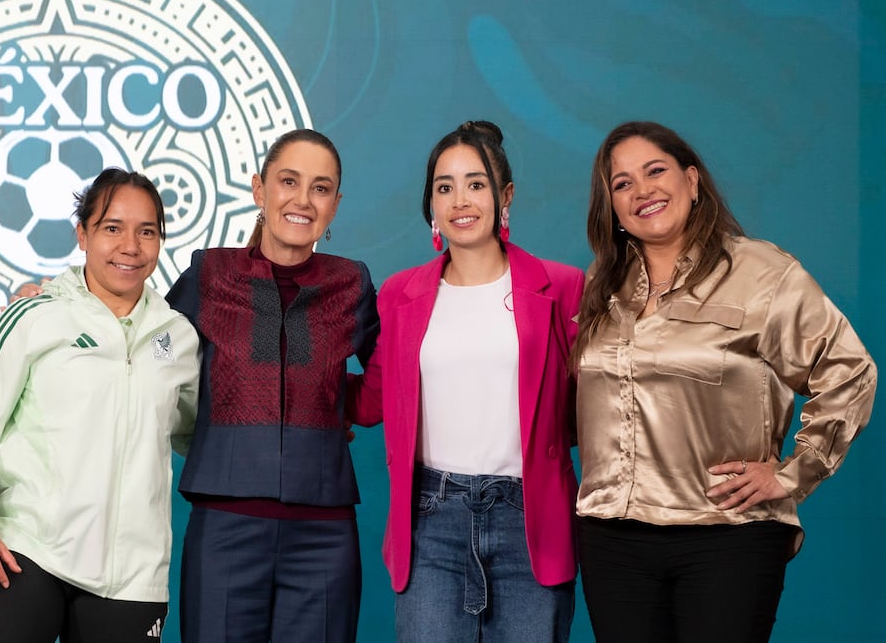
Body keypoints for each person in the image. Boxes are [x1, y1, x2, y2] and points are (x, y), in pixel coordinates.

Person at [571, 121, 877, 643]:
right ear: (613, 210)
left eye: (655, 171)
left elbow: (850, 371)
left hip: (726, 535)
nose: (642, 190)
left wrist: (790, 474)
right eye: (622, 184)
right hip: (612, 538)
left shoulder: (764, 273)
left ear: (693, 181)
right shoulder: (600, 287)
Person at [0, 168, 201, 642]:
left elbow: (201, 433)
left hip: (133, 577)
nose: (130, 246)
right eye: (112, 228)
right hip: (26, 554)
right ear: (83, 233)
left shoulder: (177, 336)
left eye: (147, 231)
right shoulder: (36, 314)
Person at [348, 121, 583, 642]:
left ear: (506, 197)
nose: (460, 199)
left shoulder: (562, 288)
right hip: (432, 522)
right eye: (444, 186)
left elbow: (592, 408)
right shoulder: (399, 293)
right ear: (431, 204)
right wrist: (288, 388)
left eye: (476, 184)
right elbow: (373, 400)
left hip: (531, 523)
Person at [167, 128, 379, 643]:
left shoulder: (352, 283)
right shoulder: (208, 273)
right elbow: (137, 347)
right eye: (289, 181)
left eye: (321, 187)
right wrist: (58, 298)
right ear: (260, 189)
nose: (303, 200)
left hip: (324, 537)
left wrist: (333, 405)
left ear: (335, 204)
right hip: (224, 527)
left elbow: (391, 380)